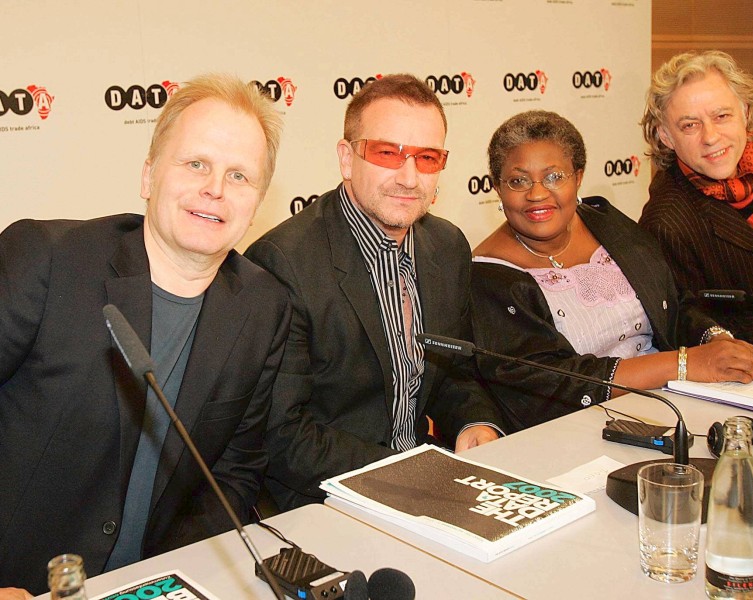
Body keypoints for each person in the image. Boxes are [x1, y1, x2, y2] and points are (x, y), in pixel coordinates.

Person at [0, 74, 291, 594]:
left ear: (257, 202)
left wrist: (173, 580)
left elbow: (235, 471)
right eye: (196, 163)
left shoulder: (264, 306)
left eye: (240, 176)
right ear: (149, 175)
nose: (216, 189)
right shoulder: (45, 261)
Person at [244, 73, 505, 511]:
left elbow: (451, 374)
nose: (408, 177)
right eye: (388, 153)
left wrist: (473, 424)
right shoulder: (282, 262)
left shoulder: (447, 246)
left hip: (428, 481)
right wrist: (411, 474)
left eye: (427, 158)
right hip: (323, 501)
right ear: (347, 158)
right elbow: (283, 435)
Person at [470, 110, 753, 432]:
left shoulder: (606, 223)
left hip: (673, 402)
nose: (536, 193)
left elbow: (673, 302)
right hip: (580, 429)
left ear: (578, 177)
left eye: (554, 176)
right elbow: (549, 382)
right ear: (497, 188)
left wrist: (716, 340)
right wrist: (684, 364)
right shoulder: (489, 276)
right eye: (518, 180)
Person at [639, 50, 753, 347]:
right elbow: (690, 326)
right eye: (690, 125)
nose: (711, 137)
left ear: (746, 114)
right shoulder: (666, 223)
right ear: (666, 137)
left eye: (722, 116)